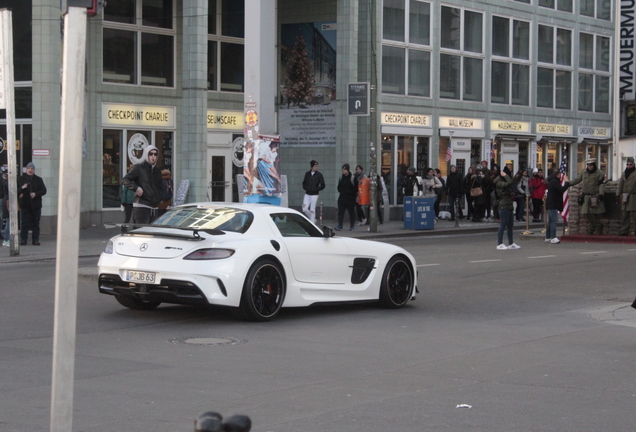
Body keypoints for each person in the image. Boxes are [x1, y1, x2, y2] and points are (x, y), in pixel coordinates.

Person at [122, 145, 163, 225]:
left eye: (155, 154)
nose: (153, 156)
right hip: (142, 205)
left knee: (152, 234)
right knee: (142, 233)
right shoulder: (139, 168)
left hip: (154, 207)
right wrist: (136, 188)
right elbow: (125, 180)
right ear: (146, 155)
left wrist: (159, 198)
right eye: (150, 154)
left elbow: (159, 186)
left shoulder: (157, 170)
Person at [569, 158, 606, 235]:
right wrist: (569, 183)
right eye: (588, 165)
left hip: (594, 196)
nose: (589, 167)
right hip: (586, 196)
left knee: (593, 213)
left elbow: (601, 184)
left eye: (591, 165)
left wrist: (601, 193)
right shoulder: (584, 172)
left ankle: (591, 231)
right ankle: (598, 225)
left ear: (594, 165)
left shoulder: (599, 173)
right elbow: (577, 179)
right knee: (586, 212)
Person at [18, 162, 47, 245]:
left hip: (36, 205)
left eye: (32, 169)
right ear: (26, 169)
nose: (30, 170)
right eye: (29, 169)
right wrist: (22, 189)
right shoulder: (21, 179)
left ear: (34, 170)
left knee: (36, 223)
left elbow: (44, 190)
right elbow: (16, 190)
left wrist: (36, 194)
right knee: (24, 223)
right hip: (25, 205)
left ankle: (35, 239)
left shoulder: (38, 179)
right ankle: (23, 239)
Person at [494, 168, 519, 250]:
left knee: (510, 226)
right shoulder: (499, 182)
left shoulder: (503, 181)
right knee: (502, 225)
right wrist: (506, 176)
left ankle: (511, 243)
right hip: (503, 206)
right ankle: (499, 243)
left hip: (509, 206)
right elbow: (509, 182)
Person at [545, 168, 570, 244]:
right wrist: (566, 182)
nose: (561, 176)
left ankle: (548, 237)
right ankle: (553, 237)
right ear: (557, 175)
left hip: (551, 203)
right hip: (553, 204)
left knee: (550, 221)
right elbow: (561, 189)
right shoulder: (554, 182)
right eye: (560, 175)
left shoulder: (551, 181)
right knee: (553, 221)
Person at [617, 157, 636, 236]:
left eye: (630, 164)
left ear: (633, 164)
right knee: (624, 215)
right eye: (627, 164)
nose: (628, 166)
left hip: (633, 196)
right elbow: (620, 185)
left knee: (634, 215)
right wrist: (618, 195)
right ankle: (624, 230)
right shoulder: (624, 173)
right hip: (625, 196)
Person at [301, 160, 325, 224]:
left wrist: (317, 188)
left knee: (312, 209)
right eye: (315, 166)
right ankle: (313, 219)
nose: (316, 167)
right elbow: (304, 182)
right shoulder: (307, 174)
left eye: (317, 166)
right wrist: (306, 187)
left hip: (315, 194)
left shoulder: (319, 175)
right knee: (304, 208)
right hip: (307, 193)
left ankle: (312, 223)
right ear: (312, 167)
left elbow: (323, 185)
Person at [335, 164, 357, 231]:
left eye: (345, 169)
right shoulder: (341, 177)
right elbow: (338, 187)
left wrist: (350, 192)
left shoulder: (352, 177)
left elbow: (356, 188)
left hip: (350, 199)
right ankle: (340, 225)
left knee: (351, 212)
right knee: (340, 212)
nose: (343, 171)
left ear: (348, 170)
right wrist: (341, 191)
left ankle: (352, 226)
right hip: (342, 198)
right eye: (343, 170)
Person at [1, 166, 9, 246]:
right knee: (8, 220)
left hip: (4, 200)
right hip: (6, 201)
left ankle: (6, 239)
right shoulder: (6, 182)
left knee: (6, 219)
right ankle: (7, 239)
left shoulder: (4, 181)